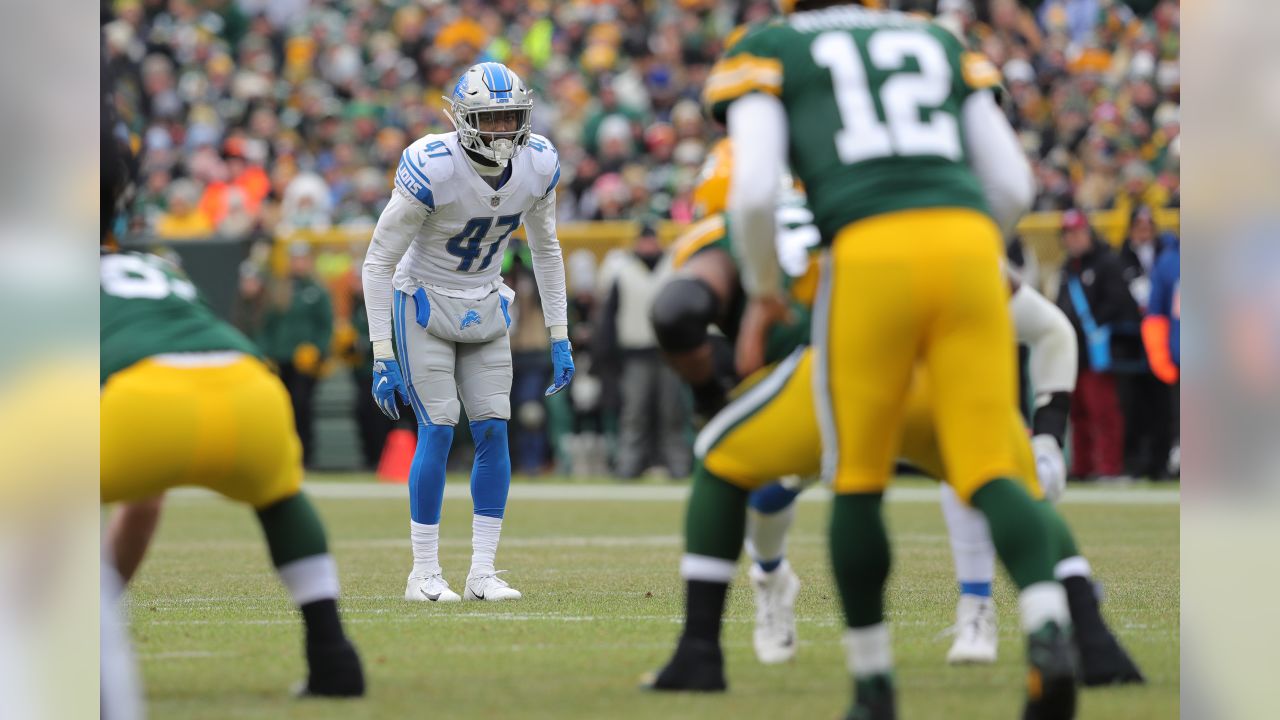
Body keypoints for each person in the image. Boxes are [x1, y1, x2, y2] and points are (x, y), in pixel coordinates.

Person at [651, 5, 1079, 717]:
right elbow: (1011, 184)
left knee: (855, 477)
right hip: (969, 244)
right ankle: (1048, 625)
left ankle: (874, 682)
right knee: (992, 465)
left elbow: (754, 190)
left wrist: (761, 292)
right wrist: (963, 244)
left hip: (868, 253)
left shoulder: (773, 45)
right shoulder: (938, 38)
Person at [649, 140, 1141, 683]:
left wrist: (710, 398)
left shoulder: (730, 234)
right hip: (931, 385)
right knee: (1010, 488)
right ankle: (1087, 635)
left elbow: (677, 313)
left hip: (829, 383)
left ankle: (834, 667)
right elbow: (1049, 328)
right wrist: (1045, 442)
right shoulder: (882, 211)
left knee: (735, 464)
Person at [101, 250, 364, 697]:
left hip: (140, 401)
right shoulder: (153, 264)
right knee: (280, 497)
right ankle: (332, 654)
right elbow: (144, 504)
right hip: (249, 385)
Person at [362, 62, 573, 604]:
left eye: (510, 118)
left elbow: (547, 249)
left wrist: (559, 333)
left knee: (494, 429)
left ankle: (482, 572)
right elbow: (378, 262)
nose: (503, 130)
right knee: (437, 428)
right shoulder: (432, 165)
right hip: (424, 299)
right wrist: (381, 350)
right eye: (491, 118)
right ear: (463, 120)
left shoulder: (540, 161)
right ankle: (424, 573)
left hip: (484, 298)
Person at [597, 223, 692, 479]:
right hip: (635, 353)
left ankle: (679, 467)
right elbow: (610, 317)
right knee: (634, 413)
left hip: (669, 352)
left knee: (672, 413)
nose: (648, 246)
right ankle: (628, 467)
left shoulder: (673, 267)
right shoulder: (623, 270)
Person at [1056, 208, 1140, 480]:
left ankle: (1109, 467)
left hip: (1100, 352)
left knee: (1103, 411)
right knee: (1078, 414)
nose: (1073, 239)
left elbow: (1119, 303)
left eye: (1078, 232)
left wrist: (1089, 326)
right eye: (1068, 234)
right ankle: (1082, 467)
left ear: (1088, 232)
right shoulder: (1068, 268)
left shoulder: (1107, 263)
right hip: (1074, 353)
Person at [258, 242, 334, 467]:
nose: (298, 263)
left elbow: (325, 325)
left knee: (302, 406)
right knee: (281, 408)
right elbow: (267, 325)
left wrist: (318, 350)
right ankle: (282, 455)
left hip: (305, 361)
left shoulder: (318, 290)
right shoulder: (279, 289)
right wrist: (266, 353)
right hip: (281, 358)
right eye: (295, 259)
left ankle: (305, 456)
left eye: (302, 259)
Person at [1118, 206, 1175, 478]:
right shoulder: (1122, 259)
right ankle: (1136, 462)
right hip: (1131, 343)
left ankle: (1160, 463)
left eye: (1147, 225)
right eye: (1139, 225)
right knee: (1134, 406)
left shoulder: (1167, 257)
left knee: (1162, 407)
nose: (1144, 230)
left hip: (1161, 339)